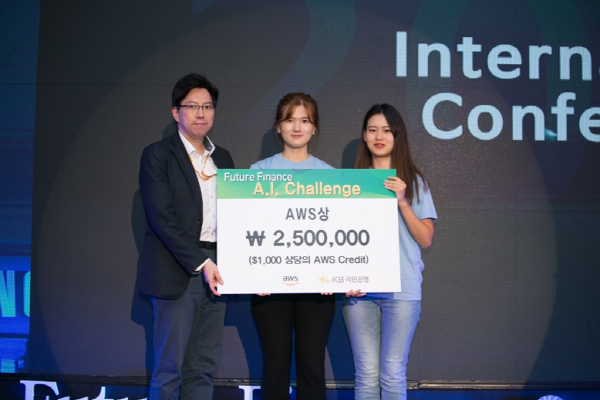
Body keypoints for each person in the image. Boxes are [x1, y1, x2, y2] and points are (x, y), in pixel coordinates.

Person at [137, 73, 234, 400]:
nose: (201, 113)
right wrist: (202, 263)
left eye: (207, 106)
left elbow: (235, 218)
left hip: (218, 271)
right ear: (175, 111)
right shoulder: (158, 155)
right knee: (169, 370)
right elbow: (162, 219)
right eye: (192, 106)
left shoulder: (223, 158)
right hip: (178, 272)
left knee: (202, 368)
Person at [343, 104, 437, 400]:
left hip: (402, 290)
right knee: (366, 374)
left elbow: (426, 239)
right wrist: (343, 277)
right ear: (364, 135)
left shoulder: (414, 182)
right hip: (361, 291)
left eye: (386, 130)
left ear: (397, 135)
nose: (379, 136)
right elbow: (338, 238)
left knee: (393, 373)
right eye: (372, 130)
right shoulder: (350, 185)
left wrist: (402, 201)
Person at [250, 92, 335, 400]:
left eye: (304, 120)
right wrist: (252, 275)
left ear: (314, 128)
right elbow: (247, 229)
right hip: (269, 287)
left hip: (318, 288)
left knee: (312, 364)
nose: (297, 127)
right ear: (278, 126)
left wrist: (335, 273)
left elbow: (336, 233)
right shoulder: (258, 173)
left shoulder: (331, 176)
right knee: (275, 365)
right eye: (289, 120)